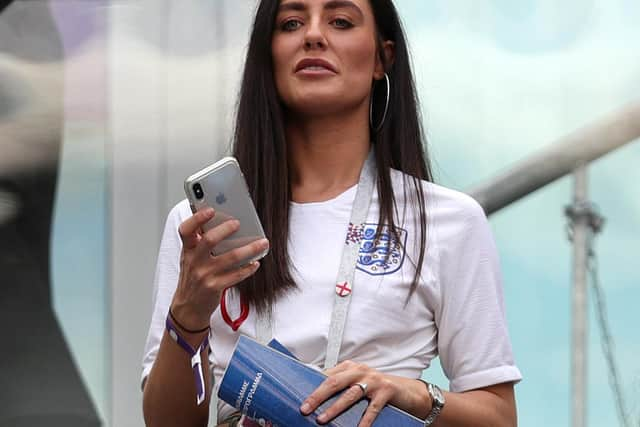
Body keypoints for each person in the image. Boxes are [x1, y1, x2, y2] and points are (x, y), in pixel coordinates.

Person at [141, 0, 522, 426]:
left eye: (340, 21)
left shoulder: (446, 220)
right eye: (290, 23)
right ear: (269, 55)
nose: (314, 35)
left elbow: (499, 418)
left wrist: (406, 393)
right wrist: (188, 316)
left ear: (383, 58)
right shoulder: (201, 226)